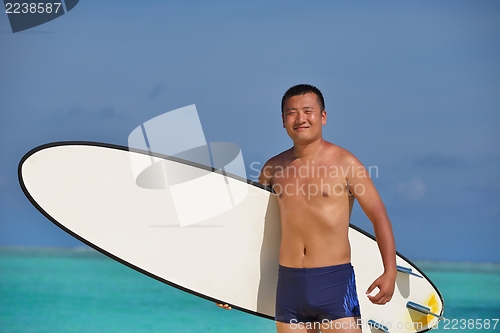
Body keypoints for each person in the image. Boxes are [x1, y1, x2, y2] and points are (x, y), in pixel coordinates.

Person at [219, 84, 396, 333]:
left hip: (333, 282)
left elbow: (379, 217)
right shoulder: (272, 169)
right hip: (289, 286)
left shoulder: (346, 163)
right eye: (292, 113)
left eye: (308, 111)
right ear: (283, 120)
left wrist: (390, 271)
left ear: (322, 117)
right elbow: (256, 230)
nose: (300, 118)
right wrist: (226, 285)